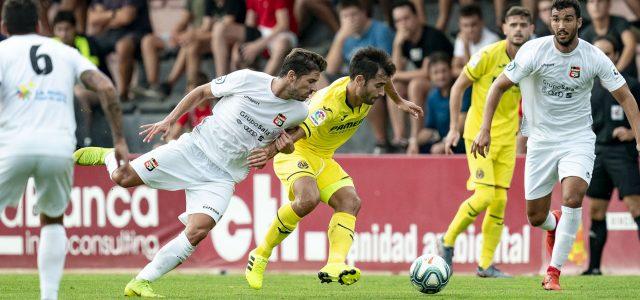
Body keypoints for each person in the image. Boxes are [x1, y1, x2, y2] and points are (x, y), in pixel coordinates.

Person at [73, 48, 326, 297]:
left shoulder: (299, 111)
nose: (314, 88)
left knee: (198, 230)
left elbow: (291, 139)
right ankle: (108, 156)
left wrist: (275, 150)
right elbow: (202, 91)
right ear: (292, 76)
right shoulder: (249, 79)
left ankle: (141, 282)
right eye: (311, 81)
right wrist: (170, 119)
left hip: (223, 176)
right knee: (122, 178)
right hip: (193, 150)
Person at [472, 0, 640, 291]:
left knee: (573, 197)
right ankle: (556, 222)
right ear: (550, 22)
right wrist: (484, 129)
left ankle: (554, 272)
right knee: (536, 217)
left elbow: (625, 96)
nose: (561, 25)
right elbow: (498, 86)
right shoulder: (534, 52)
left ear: (579, 23)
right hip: (540, 141)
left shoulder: (593, 56)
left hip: (578, 139)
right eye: (556, 19)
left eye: (568, 19)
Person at [244, 47, 423, 290]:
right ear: (359, 81)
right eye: (378, 86)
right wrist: (268, 152)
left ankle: (335, 265)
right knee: (308, 199)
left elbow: (386, 81)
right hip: (297, 151)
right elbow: (299, 132)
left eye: (383, 86)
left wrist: (399, 100)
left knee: (350, 202)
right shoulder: (329, 105)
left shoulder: (366, 89)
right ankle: (260, 255)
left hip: (324, 157)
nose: (381, 93)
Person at [0, 1, 128, 299]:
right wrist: (119, 140)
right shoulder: (65, 52)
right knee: (53, 219)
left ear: (4, 28)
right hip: (59, 148)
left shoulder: (2, 52)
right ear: (39, 26)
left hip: (14, 144)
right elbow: (107, 88)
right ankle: (49, 296)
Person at [439, 6, 535, 278]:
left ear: (531, 29)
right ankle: (446, 240)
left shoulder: (532, 60)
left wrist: (524, 135)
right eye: (513, 24)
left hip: (507, 138)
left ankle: (485, 265)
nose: (518, 29)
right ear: (503, 27)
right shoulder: (487, 55)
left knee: (500, 200)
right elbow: (458, 86)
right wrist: (453, 129)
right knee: (484, 195)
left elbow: (530, 100)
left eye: (523, 25)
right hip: (479, 134)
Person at [582, 36, 640, 276]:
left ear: (616, 56)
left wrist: (631, 132)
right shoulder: (587, 86)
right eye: (598, 53)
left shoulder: (631, 85)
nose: (602, 57)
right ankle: (594, 267)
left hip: (622, 153)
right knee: (596, 210)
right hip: (597, 153)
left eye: (607, 53)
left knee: (636, 207)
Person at [326, 0, 396, 153]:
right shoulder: (344, 36)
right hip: (354, 81)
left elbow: (386, 64)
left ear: (364, 13)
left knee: (367, 88)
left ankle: (382, 142)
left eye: (354, 14)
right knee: (320, 79)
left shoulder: (380, 30)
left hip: (379, 79)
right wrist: (340, 38)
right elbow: (330, 69)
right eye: (345, 16)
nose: (350, 19)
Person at [390, 0, 454, 155]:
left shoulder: (432, 36)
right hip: (430, 80)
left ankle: (415, 137)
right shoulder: (404, 40)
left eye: (406, 18)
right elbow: (395, 70)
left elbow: (427, 72)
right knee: (395, 87)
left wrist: (396, 74)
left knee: (415, 85)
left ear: (417, 17)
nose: (403, 24)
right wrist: (397, 45)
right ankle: (399, 138)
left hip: (445, 80)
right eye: (398, 21)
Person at [52, 10, 111, 147]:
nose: (63, 34)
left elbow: (90, 77)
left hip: (97, 91)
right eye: (59, 29)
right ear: (54, 30)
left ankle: (84, 141)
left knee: (79, 92)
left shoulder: (86, 43)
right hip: (64, 90)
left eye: (67, 29)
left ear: (75, 29)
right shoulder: (50, 46)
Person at [87, 0, 153, 101]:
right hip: (111, 33)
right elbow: (92, 19)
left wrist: (104, 17)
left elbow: (126, 18)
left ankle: (123, 93)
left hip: (136, 33)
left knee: (123, 46)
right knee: (90, 44)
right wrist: (113, 14)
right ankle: (106, 88)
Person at [416, 52, 470, 154]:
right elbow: (429, 128)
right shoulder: (432, 97)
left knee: (437, 150)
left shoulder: (463, 89)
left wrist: (445, 142)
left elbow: (463, 124)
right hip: (444, 140)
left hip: (463, 140)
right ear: (430, 76)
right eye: (436, 73)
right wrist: (414, 141)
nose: (441, 76)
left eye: (444, 71)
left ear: (451, 71)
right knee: (417, 149)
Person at [582, 0, 637, 78]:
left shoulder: (619, 22)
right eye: (591, 2)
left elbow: (630, 45)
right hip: (599, 83)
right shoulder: (585, 34)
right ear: (587, 6)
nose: (596, 5)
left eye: (600, 1)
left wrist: (615, 73)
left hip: (626, 79)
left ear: (608, 4)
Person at [452, 3, 500, 76]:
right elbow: (454, 69)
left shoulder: (493, 41)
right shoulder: (461, 37)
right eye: (465, 25)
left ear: (482, 23)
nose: (470, 30)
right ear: (460, 26)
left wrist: (466, 47)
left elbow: (473, 72)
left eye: (473, 25)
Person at [165, 72, 213, 141]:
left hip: (213, 145)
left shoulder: (215, 107)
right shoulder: (189, 110)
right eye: (188, 94)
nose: (189, 98)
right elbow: (173, 136)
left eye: (191, 95)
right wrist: (168, 138)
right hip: (197, 146)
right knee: (157, 146)